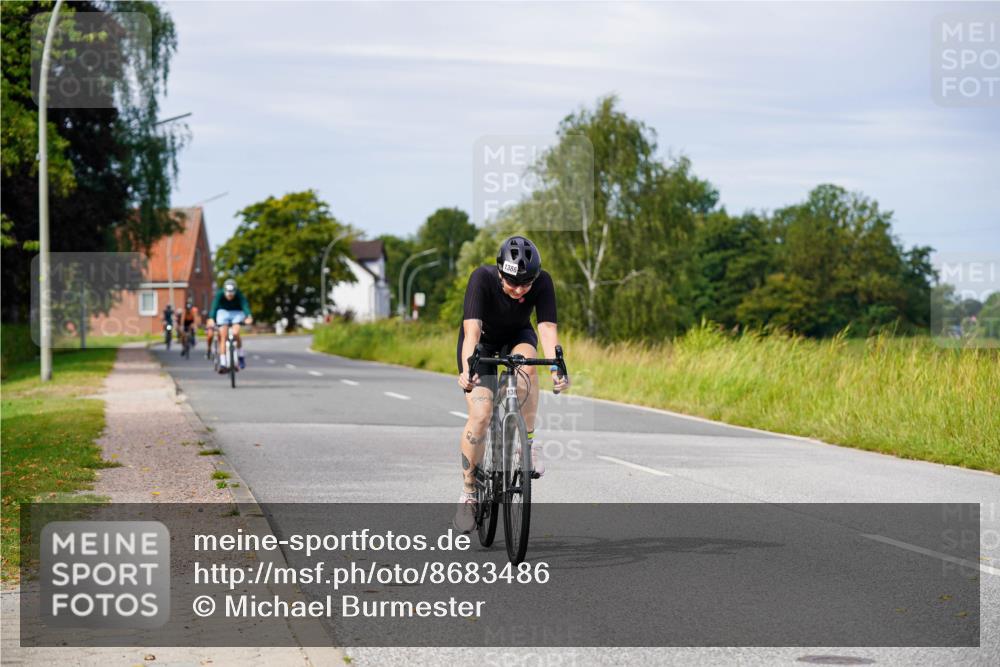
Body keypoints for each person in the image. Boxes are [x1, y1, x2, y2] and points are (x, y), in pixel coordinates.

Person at [453, 236, 569, 533]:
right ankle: (468, 493)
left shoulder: (542, 282)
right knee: (481, 415)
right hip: (483, 343)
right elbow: (472, 331)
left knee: (528, 367)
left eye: (526, 283)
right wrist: (469, 367)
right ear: (500, 272)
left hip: (517, 336)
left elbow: (546, 328)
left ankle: (528, 444)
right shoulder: (482, 278)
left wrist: (557, 367)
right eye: (512, 283)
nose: (519, 290)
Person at [206, 279, 253, 371]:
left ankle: (240, 356)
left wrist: (248, 316)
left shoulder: (239, 295)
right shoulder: (220, 294)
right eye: (228, 293)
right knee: (223, 336)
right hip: (223, 312)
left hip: (236, 312)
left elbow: (245, 305)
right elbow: (214, 306)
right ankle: (223, 363)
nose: (230, 296)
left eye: (232, 293)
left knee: (236, 333)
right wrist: (211, 318)